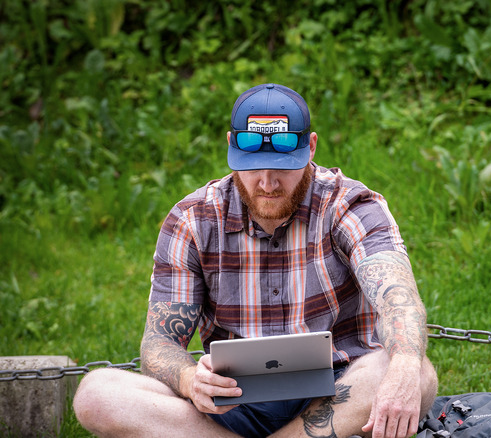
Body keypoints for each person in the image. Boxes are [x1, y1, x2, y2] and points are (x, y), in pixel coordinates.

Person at [73, 83, 438, 438]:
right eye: (252, 166)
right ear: (231, 147)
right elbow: (158, 343)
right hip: (230, 404)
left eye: (282, 166)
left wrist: (405, 366)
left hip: (337, 395)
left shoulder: (350, 205)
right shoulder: (192, 220)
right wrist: (189, 380)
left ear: (310, 147)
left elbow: (397, 297)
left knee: (414, 372)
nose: (267, 183)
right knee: (97, 394)